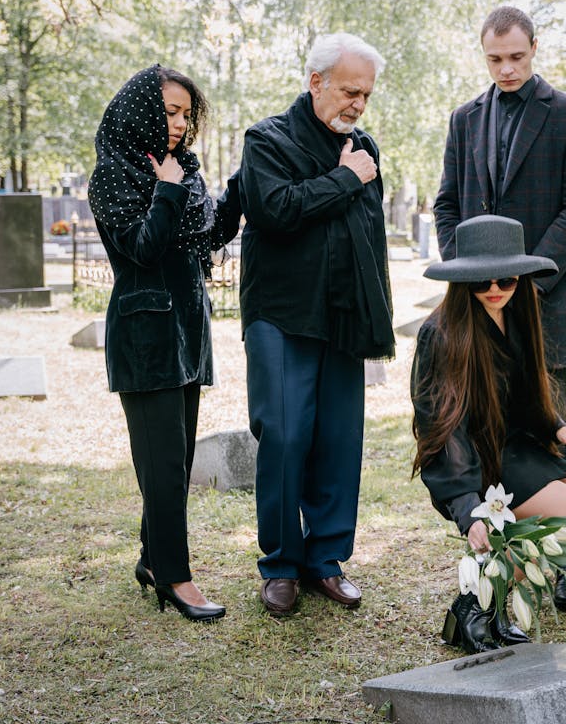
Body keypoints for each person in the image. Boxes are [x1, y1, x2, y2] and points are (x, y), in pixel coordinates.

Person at [238, 33, 394, 619]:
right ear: (316, 83)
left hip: (343, 315)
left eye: (366, 95)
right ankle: (280, 564)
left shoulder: (364, 145)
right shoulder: (266, 140)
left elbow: (370, 236)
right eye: (350, 91)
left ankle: (325, 560)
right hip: (280, 313)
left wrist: (374, 311)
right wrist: (347, 178)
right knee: (283, 435)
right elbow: (276, 212)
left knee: (338, 440)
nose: (357, 104)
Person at [89, 65, 242, 622]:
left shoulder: (183, 170)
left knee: (173, 459)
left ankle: (154, 558)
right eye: (168, 111)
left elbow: (209, 235)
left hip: (188, 329)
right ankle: (176, 578)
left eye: (184, 113)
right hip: (146, 333)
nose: (178, 123)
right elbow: (144, 247)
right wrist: (171, 191)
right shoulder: (114, 174)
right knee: (161, 463)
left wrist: (239, 189)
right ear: (140, 111)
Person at [411, 215, 566, 654]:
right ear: (462, 281)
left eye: (508, 278)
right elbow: (442, 429)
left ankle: (487, 605)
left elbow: (527, 393)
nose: (496, 288)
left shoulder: (518, 312)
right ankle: (473, 607)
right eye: (482, 281)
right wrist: (466, 507)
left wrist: (558, 426)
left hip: (511, 445)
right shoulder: (441, 334)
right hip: (470, 459)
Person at [433, 5, 566, 484]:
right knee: (487, 428)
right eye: (494, 59)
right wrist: (468, 274)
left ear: (534, 49)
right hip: (479, 303)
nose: (506, 68)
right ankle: (498, 551)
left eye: (515, 57)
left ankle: (564, 554)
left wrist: (525, 279)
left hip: (548, 298)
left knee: (555, 427)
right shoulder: (464, 119)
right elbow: (446, 205)